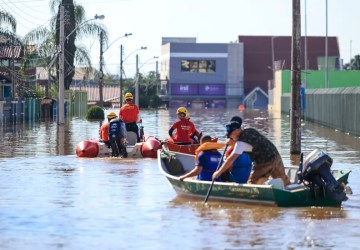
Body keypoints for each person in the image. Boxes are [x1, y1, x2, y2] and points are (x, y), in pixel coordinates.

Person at [212, 118, 291, 186]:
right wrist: (233, 141)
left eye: (230, 135)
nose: (230, 137)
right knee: (283, 179)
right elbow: (250, 144)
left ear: (236, 131)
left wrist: (218, 172)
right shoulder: (249, 130)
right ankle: (290, 191)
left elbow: (230, 159)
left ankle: (259, 196)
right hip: (275, 155)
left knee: (252, 183)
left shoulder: (240, 144)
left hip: (264, 162)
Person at [221, 116, 253, 183]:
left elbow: (229, 167)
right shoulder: (247, 146)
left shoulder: (231, 151)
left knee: (220, 171)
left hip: (236, 179)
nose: (229, 137)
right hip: (246, 177)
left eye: (230, 136)